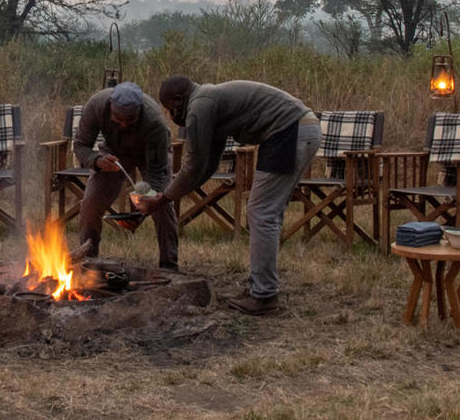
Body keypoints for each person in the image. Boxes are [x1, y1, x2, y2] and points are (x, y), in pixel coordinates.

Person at [136, 75, 319, 316]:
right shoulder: (207, 102)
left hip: (289, 130)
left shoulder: (199, 107)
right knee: (265, 213)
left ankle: (264, 296)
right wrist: (169, 194)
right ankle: (261, 288)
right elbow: (206, 165)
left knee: (261, 213)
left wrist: (163, 199)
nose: (171, 116)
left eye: (170, 109)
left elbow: (192, 166)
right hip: (294, 129)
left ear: (179, 100)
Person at [72, 81, 178, 270]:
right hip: (113, 155)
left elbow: (157, 172)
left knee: (161, 204)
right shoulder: (96, 106)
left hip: (150, 155)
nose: (123, 124)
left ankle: (169, 265)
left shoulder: (155, 122)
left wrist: (147, 202)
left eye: (130, 120)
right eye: (118, 118)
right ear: (110, 105)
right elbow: (80, 145)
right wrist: (96, 161)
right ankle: (88, 262)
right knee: (91, 202)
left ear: (139, 111)